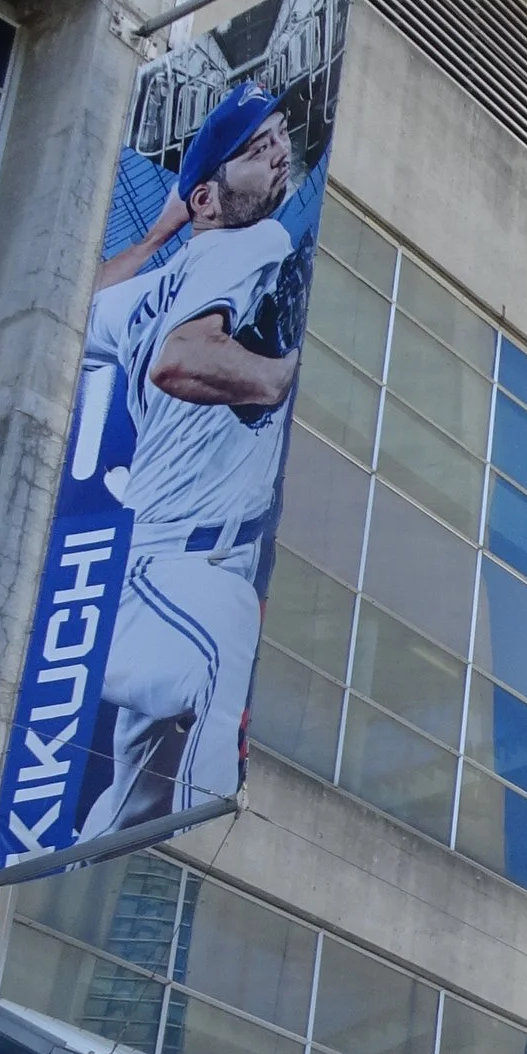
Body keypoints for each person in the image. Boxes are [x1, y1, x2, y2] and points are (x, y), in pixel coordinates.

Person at [75, 83, 308, 840]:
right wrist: (277, 377)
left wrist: (162, 229)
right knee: (229, 642)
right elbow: (179, 360)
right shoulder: (248, 245)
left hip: (164, 576)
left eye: (276, 135)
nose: (276, 149)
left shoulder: (156, 285)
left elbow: (78, 306)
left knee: (134, 810)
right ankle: (229, 873)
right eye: (253, 147)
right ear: (209, 195)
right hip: (168, 576)